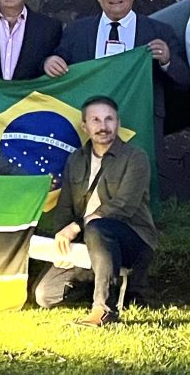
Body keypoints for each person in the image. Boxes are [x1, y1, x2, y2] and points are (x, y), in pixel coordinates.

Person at [35, 96, 156, 322]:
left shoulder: (135, 157)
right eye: (96, 120)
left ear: (118, 123)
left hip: (131, 238)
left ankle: (104, 310)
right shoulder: (76, 159)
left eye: (109, 119)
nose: (103, 126)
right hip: (85, 242)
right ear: (85, 126)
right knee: (45, 295)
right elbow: (65, 207)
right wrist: (62, 246)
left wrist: (77, 226)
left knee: (98, 227)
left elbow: (124, 205)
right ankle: (106, 283)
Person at [53, 0, 190, 131]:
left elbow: (184, 82)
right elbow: (58, 64)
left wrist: (167, 61)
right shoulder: (77, 31)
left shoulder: (159, 31)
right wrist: (50, 62)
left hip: (141, 125)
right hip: (88, 125)